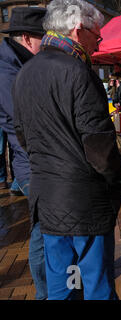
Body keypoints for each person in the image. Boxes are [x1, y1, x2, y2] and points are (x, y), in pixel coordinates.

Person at [12, 0, 121, 300]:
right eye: (97, 36)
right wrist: (117, 180)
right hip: (84, 203)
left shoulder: (25, 72)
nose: (99, 44)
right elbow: (99, 146)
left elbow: (23, 136)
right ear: (78, 31)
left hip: (47, 199)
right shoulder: (79, 72)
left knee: (61, 289)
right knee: (96, 287)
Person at [0, 6, 48, 300]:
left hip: (37, 159)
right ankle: (45, 294)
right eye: (45, 38)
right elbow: (23, 122)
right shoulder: (7, 70)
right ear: (29, 38)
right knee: (45, 229)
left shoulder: (20, 62)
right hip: (33, 162)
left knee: (50, 227)